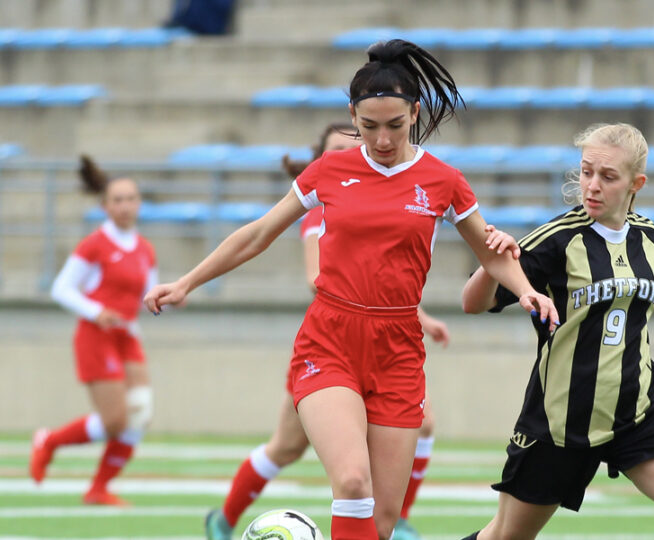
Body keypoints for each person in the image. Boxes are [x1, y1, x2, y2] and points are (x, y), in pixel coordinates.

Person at [145, 39, 559, 540]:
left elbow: (490, 252)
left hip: (398, 347)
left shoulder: (443, 180)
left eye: (395, 125)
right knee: (352, 482)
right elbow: (258, 234)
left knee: (381, 522)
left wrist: (526, 289)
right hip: (331, 339)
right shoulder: (329, 170)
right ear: (352, 116)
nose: (382, 139)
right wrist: (186, 282)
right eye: (369, 126)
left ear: (415, 112)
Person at [460, 123, 654, 540]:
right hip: (561, 423)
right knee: (505, 536)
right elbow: (473, 302)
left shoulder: (646, 234)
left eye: (608, 176)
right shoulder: (558, 240)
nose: (592, 185)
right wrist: (490, 262)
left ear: (636, 184)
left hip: (637, 413)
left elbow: (646, 281)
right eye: (586, 171)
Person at [204, 123, 449, 540]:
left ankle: (397, 519)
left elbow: (382, 280)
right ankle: (223, 520)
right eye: (334, 149)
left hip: (380, 344)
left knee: (421, 426)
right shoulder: (320, 209)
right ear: (320, 157)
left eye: (351, 146)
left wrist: (419, 318)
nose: (348, 155)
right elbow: (317, 275)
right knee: (286, 447)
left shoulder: (374, 203)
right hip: (330, 345)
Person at [30, 156, 157, 506]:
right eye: (118, 200)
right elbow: (61, 288)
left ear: (139, 203)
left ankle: (98, 489)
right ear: (105, 206)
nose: (125, 206)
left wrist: (174, 298)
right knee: (115, 421)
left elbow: (148, 295)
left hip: (128, 335)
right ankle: (49, 441)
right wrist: (96, 311)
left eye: (131, 199)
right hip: (96, 335)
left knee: (140, 413)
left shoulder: (145, 249)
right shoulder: (95, 244)